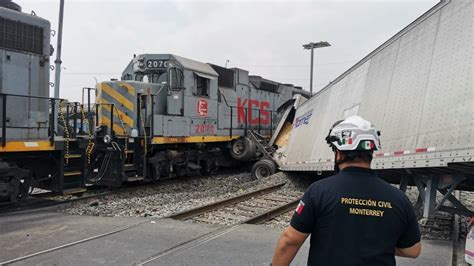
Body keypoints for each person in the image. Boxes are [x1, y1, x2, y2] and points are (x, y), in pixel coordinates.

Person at [272, 116, 421, 266]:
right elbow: (413, 250)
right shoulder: (399, 199)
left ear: (339, 153)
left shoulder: (319, 192)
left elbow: (290, 241)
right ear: (371, 152)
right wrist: (374, 244)